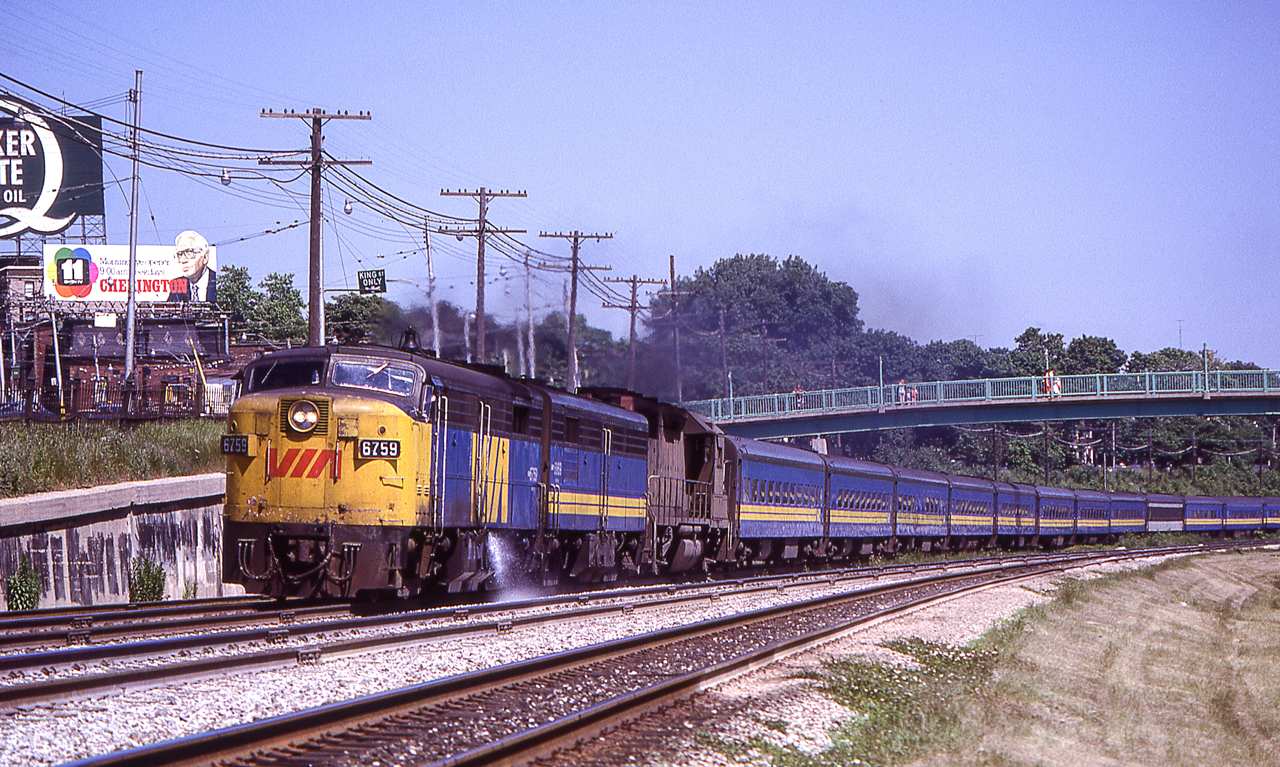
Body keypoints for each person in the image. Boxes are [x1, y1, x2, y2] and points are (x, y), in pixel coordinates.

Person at [167, 230, 217, 302]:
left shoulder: (219, 282)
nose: (183, 260)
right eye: (179, 254)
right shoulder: (178, 284)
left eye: (189, 252)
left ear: (205, 256)